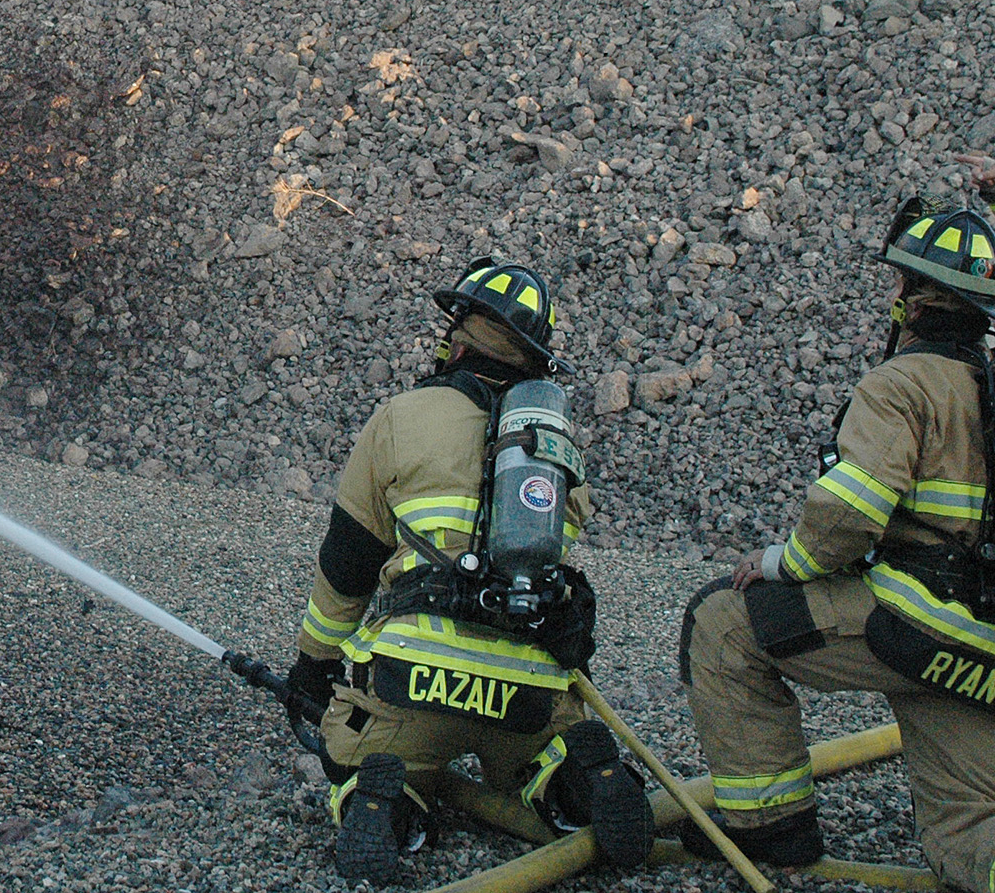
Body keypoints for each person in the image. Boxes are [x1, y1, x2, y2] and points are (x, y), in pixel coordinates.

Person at [286, 258, 654, 883]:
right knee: (544, 756)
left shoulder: (402, 417)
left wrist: (314, 662)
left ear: (458, 337)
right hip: (529, 685)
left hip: (415, 679)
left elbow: (347, 562)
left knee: (358, 758)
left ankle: (385, 804)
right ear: (535, 356)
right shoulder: (556, 445)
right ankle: (573, 781)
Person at [680, 191, 995, 887]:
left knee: (724, 624)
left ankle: (770, 828)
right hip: (982, 642)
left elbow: (849, 516)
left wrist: (784, 563)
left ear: (912, 297)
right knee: (967, 827)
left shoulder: (903, 384)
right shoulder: (986, 385)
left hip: (916, 622)